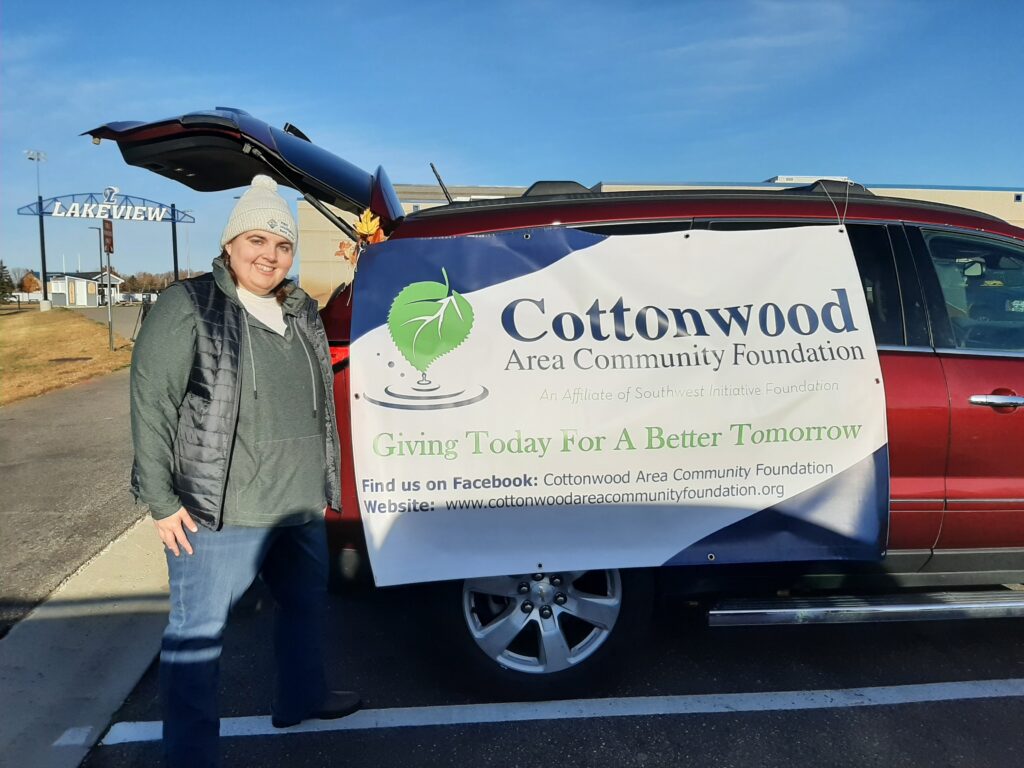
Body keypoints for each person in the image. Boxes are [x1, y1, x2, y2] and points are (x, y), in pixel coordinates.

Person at [130, 175, 360, 767]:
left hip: (299, 503)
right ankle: (189, 755)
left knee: (305, 607)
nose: (270, 254)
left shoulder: (301, 306)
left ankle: (301, 698)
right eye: (256, 239)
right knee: (196, 640)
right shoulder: (188, 306)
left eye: (282, 245)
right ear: (230, 244)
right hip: (219, 512)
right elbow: (151, 402)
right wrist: (160, 500)